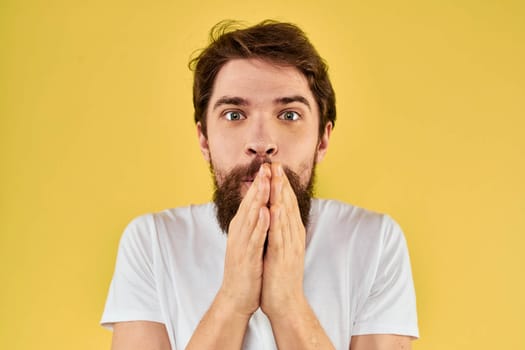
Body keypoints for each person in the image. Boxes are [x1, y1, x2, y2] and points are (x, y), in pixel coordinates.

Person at [101, 20, 419, 350]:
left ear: (322, 140)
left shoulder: (375, 241)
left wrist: (287, 305)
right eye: (234, 114)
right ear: (204, 140)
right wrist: (233, 300)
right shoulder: (152, 242)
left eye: (289, 115)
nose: (262, 143)